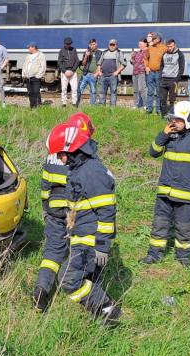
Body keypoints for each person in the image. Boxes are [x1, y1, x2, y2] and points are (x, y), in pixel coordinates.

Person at [42, 118, 121, 325]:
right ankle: (103, 317)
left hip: (90, 240)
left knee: (68, 279)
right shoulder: (81, 169)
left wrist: (102, 246)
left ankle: (108, 311)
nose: (60, 159)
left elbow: (107, 211)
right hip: (82, 236)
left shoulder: (91, 172)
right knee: (87, 278)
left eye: (61, 154)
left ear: (74, 150)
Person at [142, 101, 190, 267]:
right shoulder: (170, 133)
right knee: (159, 225)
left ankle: (183, 258)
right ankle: (154, 254)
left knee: (184, 228)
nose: (173, 122)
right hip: (166, 191)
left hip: (187, 193)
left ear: (189, 119)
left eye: (177, 119)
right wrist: (163, 135)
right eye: (173, 119)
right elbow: (153, 152)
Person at [34, 112, 94, 313]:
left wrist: (46, 208)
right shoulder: (80, 156)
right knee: (80, 249)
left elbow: (45, 185)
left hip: (54, 209)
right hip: (75, 211)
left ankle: (41, 289)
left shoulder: (53, 153)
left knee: (52, 251)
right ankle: (83, 284)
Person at [158, 39, 184, 116]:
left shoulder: (179, 54)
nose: (169, 48)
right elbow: (161, 66)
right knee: (162, 99)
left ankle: (172, 115)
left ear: (174, 45)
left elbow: (181, 68)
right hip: (163, 79)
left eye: (171, 46)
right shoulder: (164, 54)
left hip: (173, 80)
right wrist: (160, 76)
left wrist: (176, 80)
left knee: (172, 100)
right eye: (168, 46)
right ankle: (164, 115)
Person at [98, 39, 126, 106]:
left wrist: (117, 72)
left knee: (113, 92)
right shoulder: (104, 52)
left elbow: (124, 64)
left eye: (113, 44)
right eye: (111, 44)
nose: (112, 46)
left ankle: (112, 108)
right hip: (103, 76)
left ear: (116, 45)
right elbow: (99, 63)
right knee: (102, 92)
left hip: (113, 76)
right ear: (108, 45)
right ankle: (102, 107)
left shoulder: (119, 52)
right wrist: (99, 72)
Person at [77, 39, 102, 107]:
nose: (92, 46)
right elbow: (83, 63)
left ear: (96, 44)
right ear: (89, 45)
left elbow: (101, 64)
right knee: (79, 89)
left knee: (93, 91)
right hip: (85, 74)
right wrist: (86, 56)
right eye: (91, 45)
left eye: (94, 44)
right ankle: (77, 105)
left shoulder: (100, 53)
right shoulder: (86, 52)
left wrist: (97, 73)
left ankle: (92, 106)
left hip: (93, 75)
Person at [145, 32, 166, 114]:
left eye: (154, 38)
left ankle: (158, 109)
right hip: (151, 72)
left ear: (159, 39)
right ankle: (149, 109)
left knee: (158, 92)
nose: (152, 40)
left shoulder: (164, 48)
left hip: (159, 73)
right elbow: (145, 58)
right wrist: (146, 67)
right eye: (152, 38)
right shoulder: (150, 48)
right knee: (150, 92)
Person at [58, 37, 80, 108]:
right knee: (64, 89)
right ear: (64, 44)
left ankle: (74, 103)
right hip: (65, 72)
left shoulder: (74, 50)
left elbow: (77, 61)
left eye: (70, 44)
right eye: (67, 44)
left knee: (74, 89)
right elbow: (59, 62)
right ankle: (64, 103)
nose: (68, 45)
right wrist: (64, 71)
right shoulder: (61, 51)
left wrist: (73, 70)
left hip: (73, 72)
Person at [23, 42, 46, 109]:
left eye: (29, 47)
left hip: (35, 77)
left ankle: (37, 106)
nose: (28, 49)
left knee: (36, 92)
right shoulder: (28, 56)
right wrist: (24, 74)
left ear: (33, 47)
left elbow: (43, 67)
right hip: (28, 77)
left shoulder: (41, 55)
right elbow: (24, 65)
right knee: (30, 92)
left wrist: (38, 76)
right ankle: (32, 107)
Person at [131, 39, 148, 110]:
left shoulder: (148, 52)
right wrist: (132, 58)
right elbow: (133, 62)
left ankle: (145, 105)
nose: (139, 45)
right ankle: (136, 104)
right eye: (139, 44)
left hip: (142, 73)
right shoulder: (137, 52)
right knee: (135, 90)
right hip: (135, 73)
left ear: (145, 44)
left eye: (140, 44)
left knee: (142, 89)